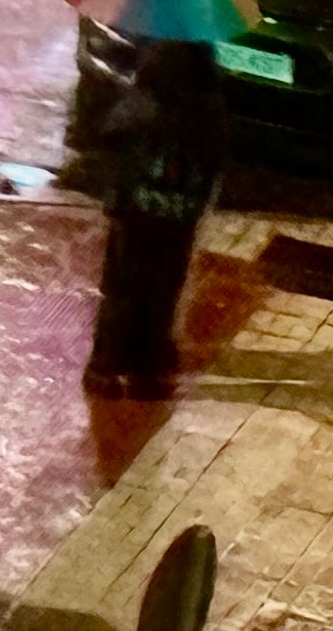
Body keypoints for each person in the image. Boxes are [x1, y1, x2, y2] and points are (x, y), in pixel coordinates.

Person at [85, 39, 227, 398]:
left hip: (137, 209)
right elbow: (217, 155)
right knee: (162, 287)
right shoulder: (209, 107)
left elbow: (112, 139)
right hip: (178, 214)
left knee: (123, 285)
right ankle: (149, 366)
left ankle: (108, 363)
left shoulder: (144, 97)